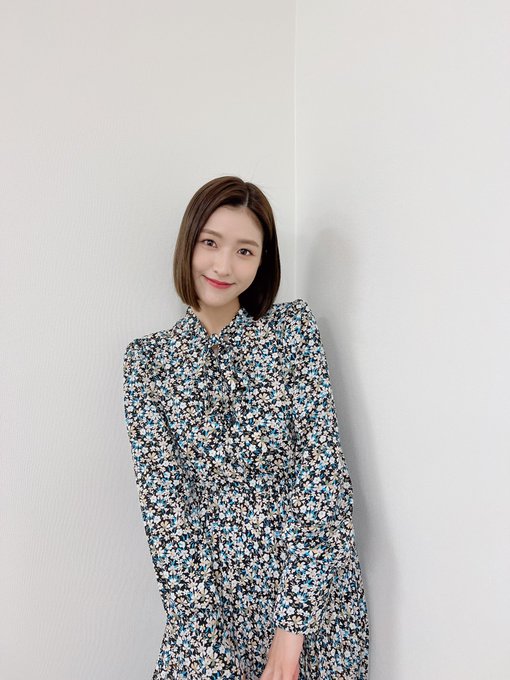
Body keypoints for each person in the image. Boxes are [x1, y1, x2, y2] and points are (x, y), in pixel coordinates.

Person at [122, 176, 369, 679]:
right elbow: (166, 514)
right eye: (210, 242)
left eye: (244, 251)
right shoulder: (147, 363)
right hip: (211, 613)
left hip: (311, 600)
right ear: (188, 243)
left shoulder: (292, 332)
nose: (223, 266)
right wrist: (203, 642)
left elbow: (322, 476)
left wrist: (291, 631)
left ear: (262, 262)